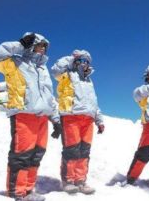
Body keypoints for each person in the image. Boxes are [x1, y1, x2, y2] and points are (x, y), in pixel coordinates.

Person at [0, 32, 61, 201]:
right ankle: (17, 192)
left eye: (45, 46)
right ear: (31, 44)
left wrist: (56, 120)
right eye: (39, 45)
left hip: (42, 117)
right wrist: (20, 44)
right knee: (22, 155)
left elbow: (49, 97)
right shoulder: (14, 62)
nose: (42, 49)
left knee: (37, 154)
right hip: (23, 115)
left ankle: (28, 190)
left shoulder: (43, 70)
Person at [51, 50, 105, 195]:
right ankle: (68, 180)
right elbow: (55, 70)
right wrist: (71, 58)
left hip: (88, 119)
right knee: (72, 150)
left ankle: (80, 180)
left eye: (86, 61)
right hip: (71, 116)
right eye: (81, 60)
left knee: (84, 151)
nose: (84, 63)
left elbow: (93, 102)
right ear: (75, 61)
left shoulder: (89, 81)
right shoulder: (67, 74)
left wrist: (99, 120)